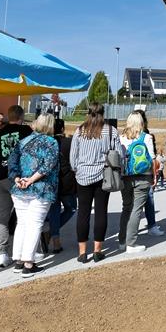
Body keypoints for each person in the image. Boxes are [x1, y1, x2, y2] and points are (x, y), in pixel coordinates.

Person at [8, 113, 59, 277]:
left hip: (20, 188)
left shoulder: (23, 141)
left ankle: (19, 261)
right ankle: (28, 264)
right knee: (34, 225)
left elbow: (12, 161)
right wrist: (30, 180)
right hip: (41, 188)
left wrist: (17, 179)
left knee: (22, 224)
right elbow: (47, 166)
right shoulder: (51, 142)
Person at [69, 103, 121, 263]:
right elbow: (118, 154)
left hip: (82, 176)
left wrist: (77, 169)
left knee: (83, 213)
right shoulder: (111, 131)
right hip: (103, 175)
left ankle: (82, 252)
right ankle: (98, 250)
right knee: (101, 212)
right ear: (103, 113)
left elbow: (73, 157)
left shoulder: (79, 131)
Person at [0, 105, 32, 267]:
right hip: (19, 178)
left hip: (0, 177)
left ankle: (2, 253)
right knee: (25, 216)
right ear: (21, 116)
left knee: (1, 217)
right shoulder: (26, 131)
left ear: (8, 116)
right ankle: (25, 251)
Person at [118, 111, 157, 254]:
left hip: (125, 177)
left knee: (126, 208)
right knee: (136, 209)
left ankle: (122, 241)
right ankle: (131, 243)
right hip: (142, 176)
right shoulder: (146, 137)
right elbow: (152, 159)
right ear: (141, 122)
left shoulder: (121, 138)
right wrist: (154, 176)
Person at [46, 118, 76, 253]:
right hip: (67, 182)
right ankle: (52, 233)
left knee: (54, 211)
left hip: (51, 181)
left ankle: (54, 237)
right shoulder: (70, 142)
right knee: (71, 209)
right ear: (63, 129)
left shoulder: (47, 143)